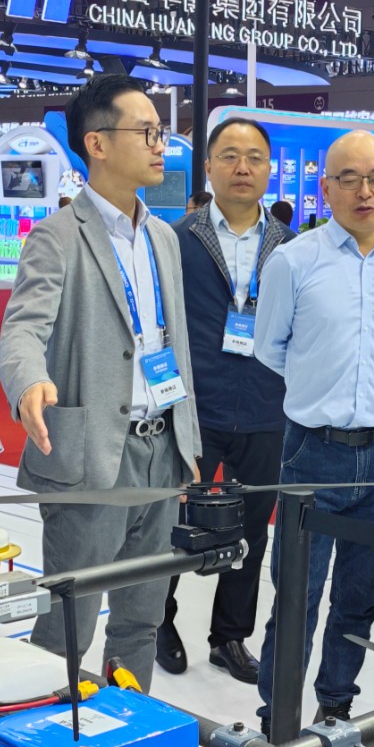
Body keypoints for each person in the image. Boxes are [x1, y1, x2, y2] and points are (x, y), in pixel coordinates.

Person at [0, 76, 202, 692]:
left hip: (160, 449)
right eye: (146, 132)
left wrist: (186, 441)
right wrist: (29, 382)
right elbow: (22, 327)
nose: (161, 144)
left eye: (160, 132)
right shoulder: (58, 236)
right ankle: (46, 728)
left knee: (142, 616)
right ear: (97, 144)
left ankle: (128, 722)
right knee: (69, 620)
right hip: (91, 456)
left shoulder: (163, 237)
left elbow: (173, 345)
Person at [253, 130, 374, 747]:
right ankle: (277, 724)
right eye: (348, 178)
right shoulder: (293, 262)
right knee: (296, 596)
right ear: (325, 188)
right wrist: (320, 391)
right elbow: (270, 348)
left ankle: (335, 712)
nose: (364, 190)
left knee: (360, 595)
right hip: (312, 451)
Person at [158, 118, 294, 683]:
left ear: (269, 169)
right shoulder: (175, 240)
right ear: (209, 166)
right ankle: (158, 622)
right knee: (170, 523)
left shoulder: (291, 246)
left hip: (266, 406)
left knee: (253, 530)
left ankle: (230, 637)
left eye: (255, 157)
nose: (243, 167)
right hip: (195, 408)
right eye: (230, 156)